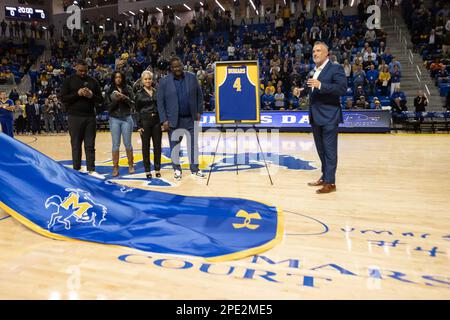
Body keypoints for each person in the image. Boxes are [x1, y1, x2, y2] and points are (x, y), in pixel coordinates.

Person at [299, 42, 347, 194]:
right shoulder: (315, 71)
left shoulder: (335, 68)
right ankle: (325, 176)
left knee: (330, 151)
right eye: (313, 51)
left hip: (329, 116)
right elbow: (310, 88)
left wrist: (321, 85)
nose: (315, 53)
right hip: (316, 116)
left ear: (327, 54)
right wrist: (300, 92)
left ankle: (330, 183)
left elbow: (341, 89)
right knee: (321, 150)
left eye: (318, 50)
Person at [157, 56, 204, 181]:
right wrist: (164, 120)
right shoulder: (164, 82)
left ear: (182, 65)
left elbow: (200, 95)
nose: (177, 68)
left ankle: (195, 168)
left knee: (193, 145)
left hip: (190, 118)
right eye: (175, 67)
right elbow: (160, 102)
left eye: (179, 66)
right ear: (171, 68)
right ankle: (177, 169)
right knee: (175, 146)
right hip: (173, 120)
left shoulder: (192, 78)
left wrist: (199, 111)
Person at [60, 59, 103, 176]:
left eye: (85, 71)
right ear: (75, 68)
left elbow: (100, 100)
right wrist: (77, 94)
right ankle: (76, 170)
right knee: (76, 144)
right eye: (80, 71)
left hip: (90, 117)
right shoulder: (68, 81)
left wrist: (91, 95)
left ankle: (91, 170)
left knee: (90, 145)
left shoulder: (93, 81)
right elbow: (62, 98)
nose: (83, 73)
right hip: (74, 117)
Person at [104, 71, 135, 177]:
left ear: (123, 78)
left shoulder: (129, 89)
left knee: (128, 143)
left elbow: (133, 104)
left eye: (120, 77)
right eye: (116, 77)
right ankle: (115, 167)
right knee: (115, 144)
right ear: (113, 78)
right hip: (114, 119)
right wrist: (116, 100)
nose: (118, 79)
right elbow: (108, 107)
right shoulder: (109, 90)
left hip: (127, 118)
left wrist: (124, 98)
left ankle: (131, 165)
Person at [135, 70, 162, 180]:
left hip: (156, 122)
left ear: (152, 80)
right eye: (145, 79)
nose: (148, 81)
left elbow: (161, 108)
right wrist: (138, 125)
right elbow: (136, 110)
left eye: (149, 79)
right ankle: (147, 170)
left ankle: (157, 169)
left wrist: (162, 122)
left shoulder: (157, 92)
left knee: (157, 147)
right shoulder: (139, 94)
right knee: (145, 147)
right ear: (142, 80)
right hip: (145, 122)